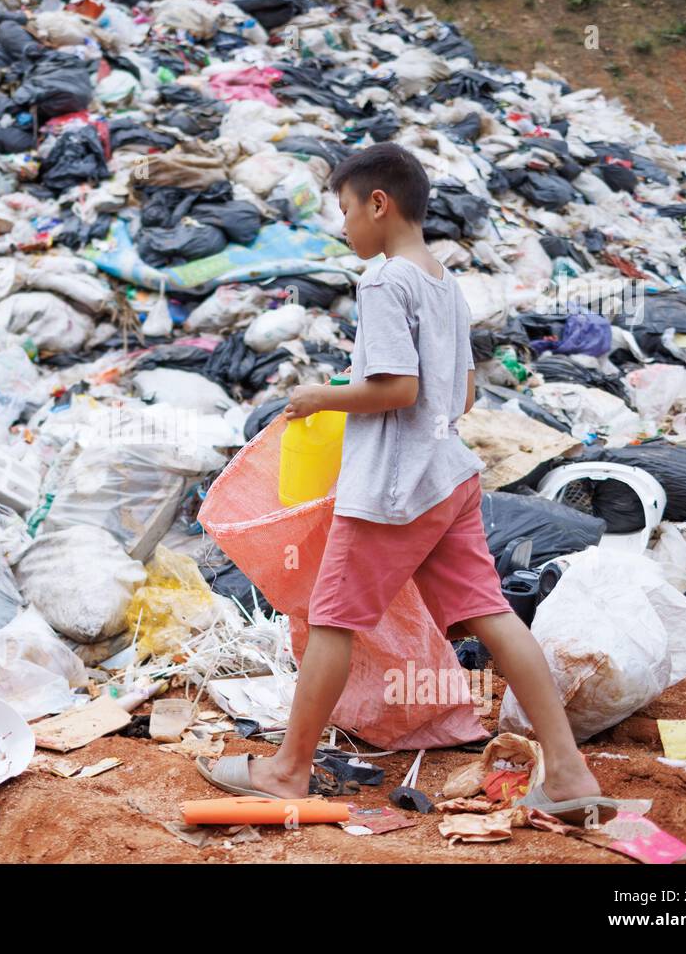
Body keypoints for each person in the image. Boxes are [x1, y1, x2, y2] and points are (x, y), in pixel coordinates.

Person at [197, 142, 617, 825]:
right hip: (448, 476)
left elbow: (397, 387)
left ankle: (286, 768)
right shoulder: (444, 283)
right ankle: (567, 770)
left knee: (333, 619)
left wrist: (319, 397)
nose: (344, 226)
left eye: (344, 210)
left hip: (392, 490)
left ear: (378, 204)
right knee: (493, 613)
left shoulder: (386, 280)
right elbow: (464, 392)